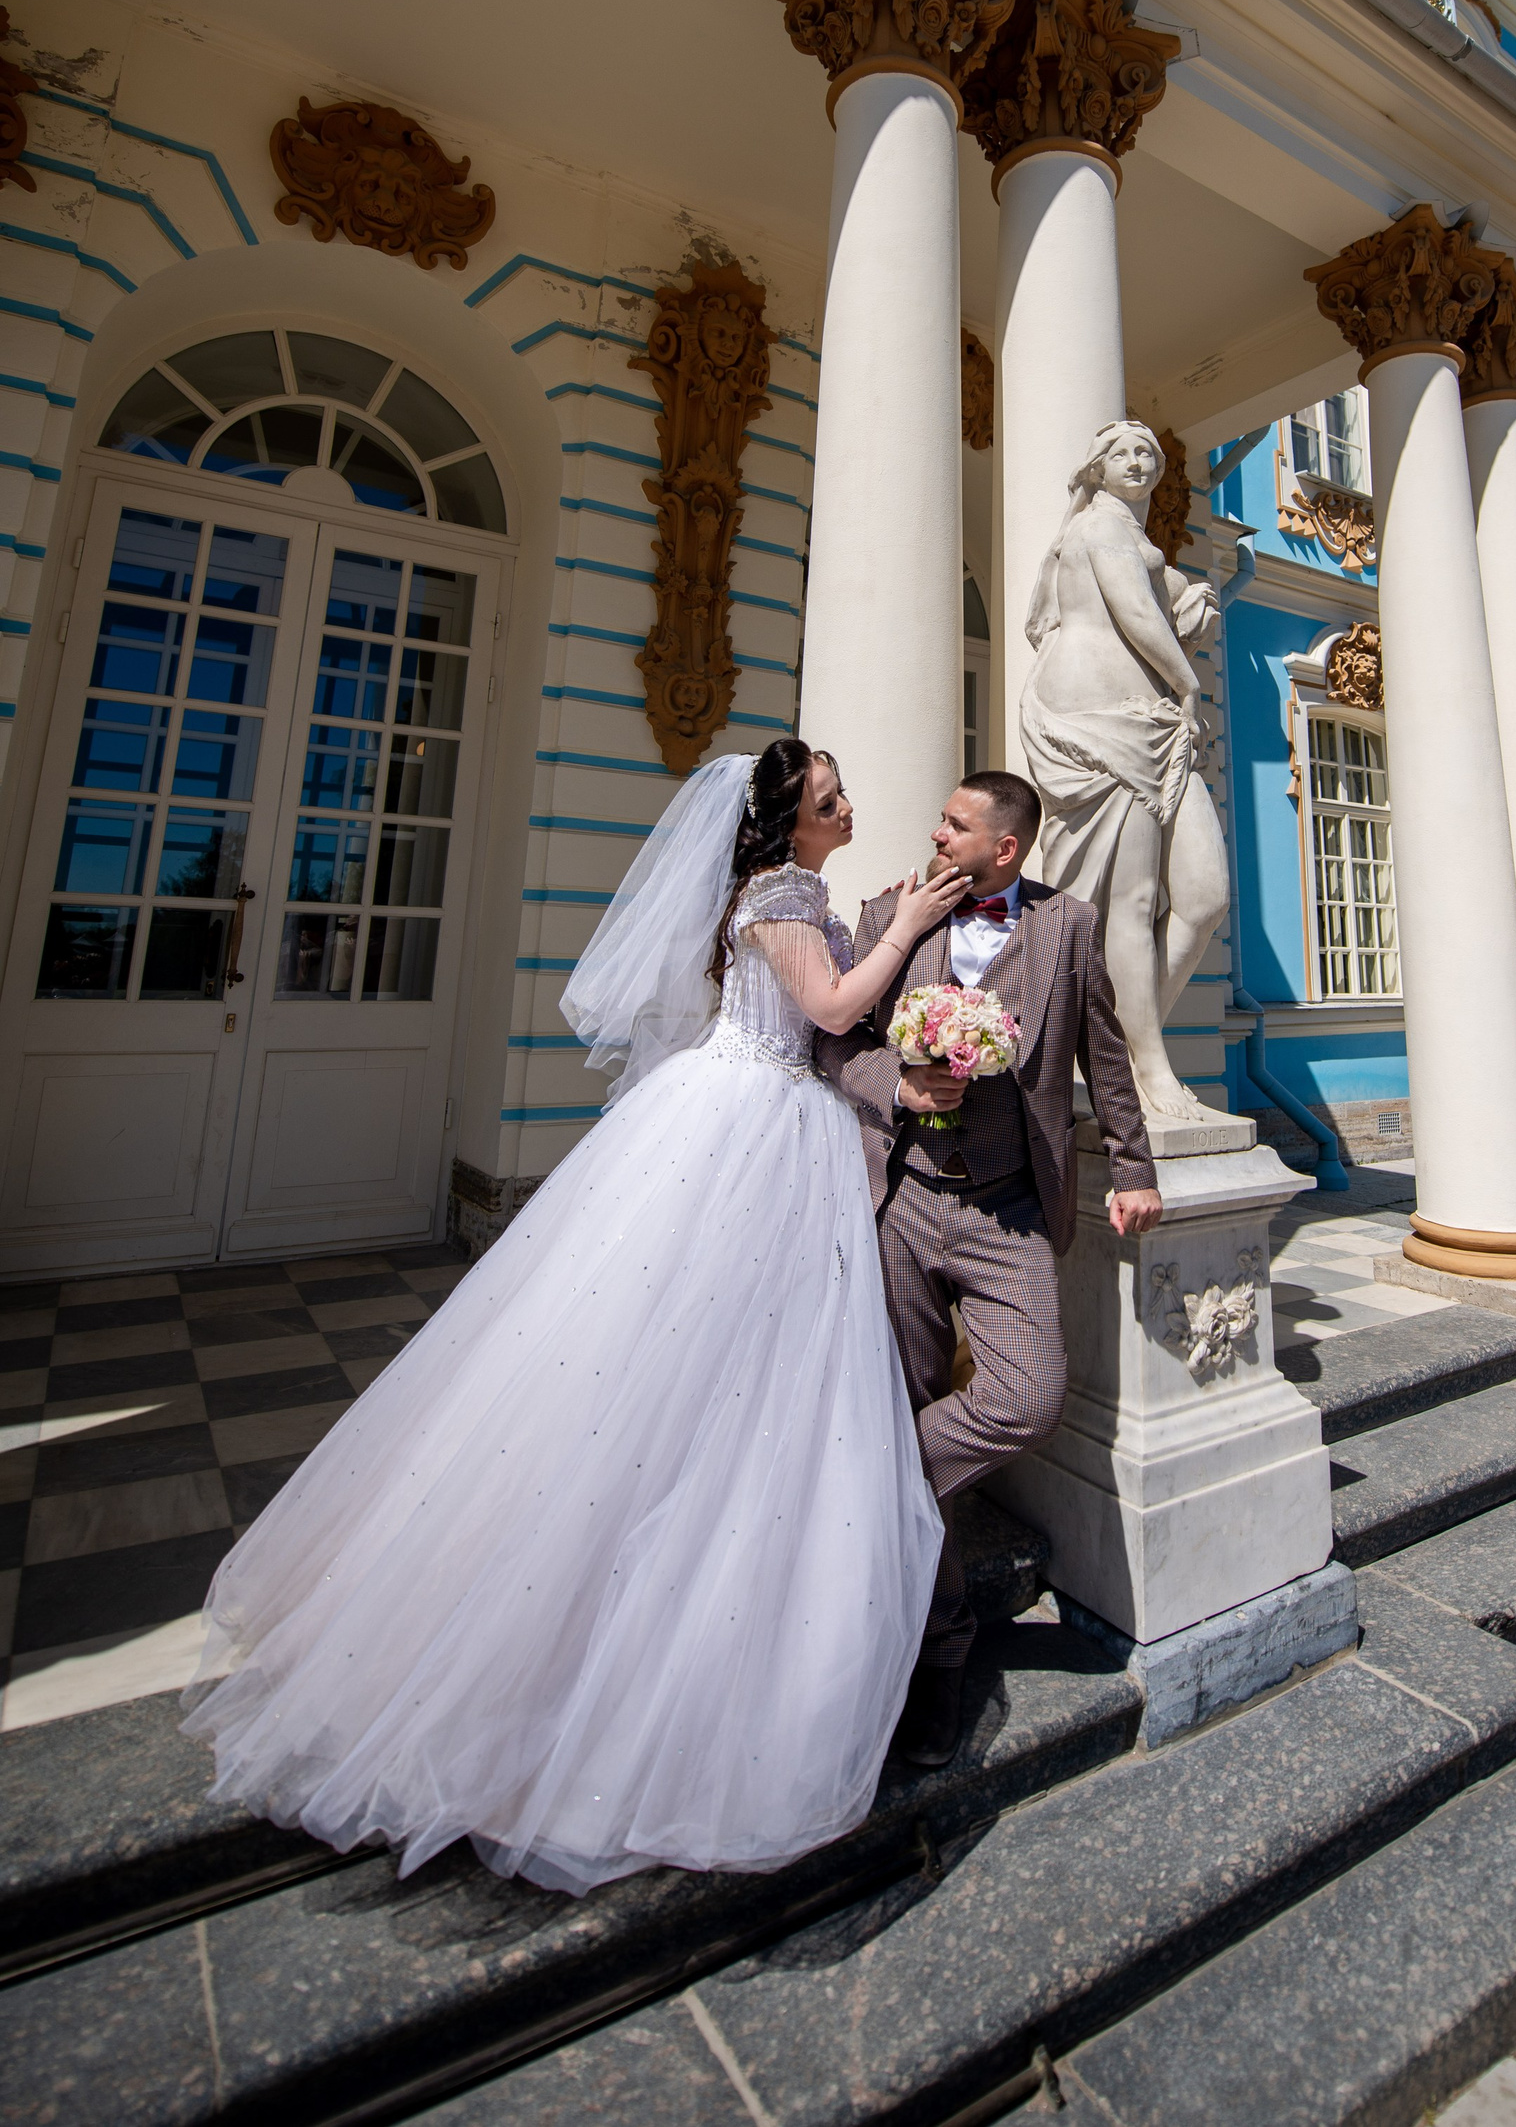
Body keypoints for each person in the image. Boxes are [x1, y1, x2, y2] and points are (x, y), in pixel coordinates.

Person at [180, 740, 965, 1894]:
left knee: (710, 1378)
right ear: (784, 821)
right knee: (689, 1370)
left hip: (756, 1120)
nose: (847, 805)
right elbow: (833, 1005)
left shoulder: (785, 891)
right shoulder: (782, 894)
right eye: (828, 797)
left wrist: (887, 925)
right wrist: (908, 925)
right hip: (752, 1127)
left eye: (842, 790)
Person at [817, 768, 1158, 1772]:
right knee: (905, 1392)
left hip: (1008, 1209)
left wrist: (1134, 1167)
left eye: (955, 823)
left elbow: (1105, 1055)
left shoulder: (1068, 927)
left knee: (1028, 1396)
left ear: (1004, 848)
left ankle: (869, 1477)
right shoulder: (890, 912)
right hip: (904, 1198)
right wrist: (899, 1081)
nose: (936, 831)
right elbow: (836, 1045)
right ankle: (937, 1654)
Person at [1018, 419, 1230, 1123]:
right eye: (1123, 453)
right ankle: (1146, 1069)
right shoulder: (1099, 526)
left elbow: (1154, 610)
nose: (1138, 463)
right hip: (1103, 713)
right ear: (1098, 468)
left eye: (1148, 454)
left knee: (1203, 895)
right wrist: (1188, 682)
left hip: (1148, 717)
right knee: (1131, 903)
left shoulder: (1132, 537)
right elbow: (1135, 611)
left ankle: (1113, 1048)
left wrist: (1186, 616)